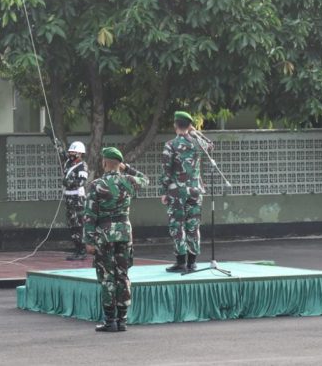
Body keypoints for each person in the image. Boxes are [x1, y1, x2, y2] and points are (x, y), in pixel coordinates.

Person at [84, 147, 148, 332]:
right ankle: (122, 320)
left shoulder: (97, 185)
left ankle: (110, 320)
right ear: (118, 163)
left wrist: (88, 241)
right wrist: (127, 168)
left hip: (104, 235)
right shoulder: (128, 181)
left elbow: (90, 215)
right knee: (123, 275)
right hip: (124, 233)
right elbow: (146, 180)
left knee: (107, 277)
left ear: (104, 163)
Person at [159, 111, 214, 273]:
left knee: (177, 225)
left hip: (177, 191)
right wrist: (196, 132)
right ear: (189, 125)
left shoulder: (171, 145)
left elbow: (166, 171)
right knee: (193, 225)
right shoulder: (197, 144)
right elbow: (211, 145)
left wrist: (163, 191)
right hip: (196, 190)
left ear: (175, 125)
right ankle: (192, 262)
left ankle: (181, 262)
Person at [59, 140, 89, 260]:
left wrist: (68, 182)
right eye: (70, 151)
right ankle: (77, 249)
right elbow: (61, 154)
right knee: (71, 225)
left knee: (79, 225)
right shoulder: (69, 163)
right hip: (69, 199)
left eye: (73, 152)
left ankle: (82, 250)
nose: (70, 154)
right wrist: (56, 143)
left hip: (78, 199)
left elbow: (81, 182)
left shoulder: (82, 166)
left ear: (80, 153)